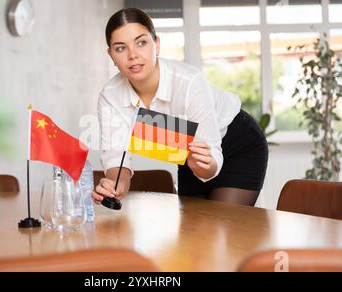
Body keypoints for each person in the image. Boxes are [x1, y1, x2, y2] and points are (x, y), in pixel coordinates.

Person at [92, 8, 268, 207]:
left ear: (156, 45)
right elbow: (117, 159)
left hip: (236, 143)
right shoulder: (110, 96)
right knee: (192, 230)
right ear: (111, 55)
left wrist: (201, 165)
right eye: (120, 48)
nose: (133, 55)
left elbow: (210, 158)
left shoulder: (189, 81)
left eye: (141, 43)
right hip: (187, 150)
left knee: (222, 225)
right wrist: (115, 186)